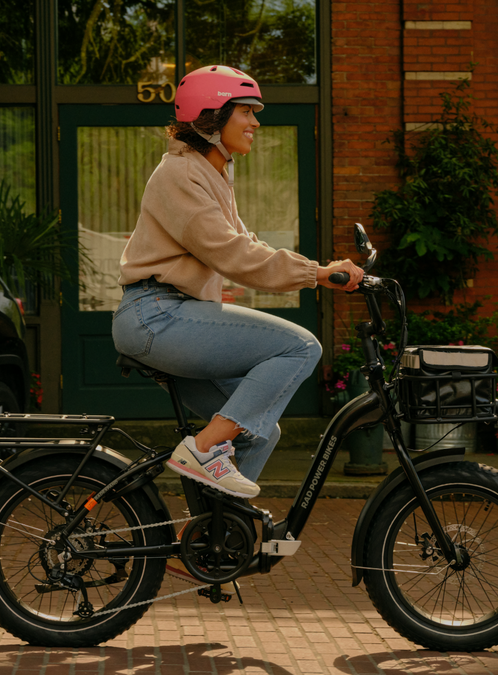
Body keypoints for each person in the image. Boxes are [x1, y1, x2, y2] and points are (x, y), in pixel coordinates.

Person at [112, 64, 363, 504]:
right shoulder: (180, 175)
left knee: (260, 428)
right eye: (246, 111)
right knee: (301, 347)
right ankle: (203, 449)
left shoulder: (211, 174)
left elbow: (243, 243)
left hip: (173, 316)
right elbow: (235, 256)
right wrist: (317, 274)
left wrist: (319, 269)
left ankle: (212, 539)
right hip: (157, 316)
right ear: (212, 116)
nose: (255, 123)